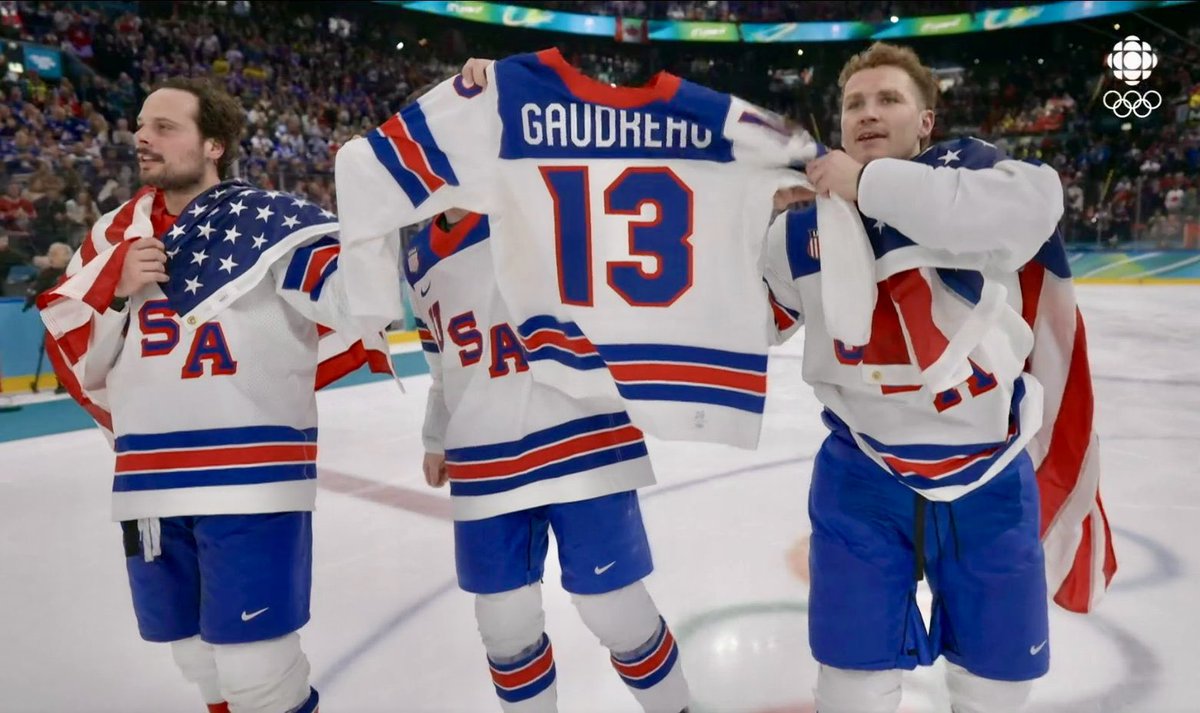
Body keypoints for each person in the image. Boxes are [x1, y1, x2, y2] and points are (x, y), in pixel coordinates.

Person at [762, 42, 1113, 713]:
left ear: (927, 121)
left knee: (996, 690)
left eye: (889, 99)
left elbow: (1034, 208)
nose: (868, 113)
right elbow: (744, 323)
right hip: (863, 476)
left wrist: (863, 184)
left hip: (989, 473)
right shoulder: (798, 228)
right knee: (851, 688)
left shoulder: (984, 178)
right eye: (853, 104)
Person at [38, 77, 388, 713]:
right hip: (148, 482)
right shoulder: (111, 237)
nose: (142, 137)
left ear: (215, 145)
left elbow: (360, 305)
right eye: (140, 124)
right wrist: (113, 293)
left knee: (259, 673)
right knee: (196, 658)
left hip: (249, 478)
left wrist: (372, 217)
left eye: (165, 127)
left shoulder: (276, 226)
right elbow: (86, 365)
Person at [408, 205, 690, 712]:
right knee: (503, 622)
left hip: (576, 432)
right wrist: (436, 436)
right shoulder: (416, 255)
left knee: (614, 608)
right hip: (483, 451)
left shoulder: (534, 189)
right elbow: (441, 362)